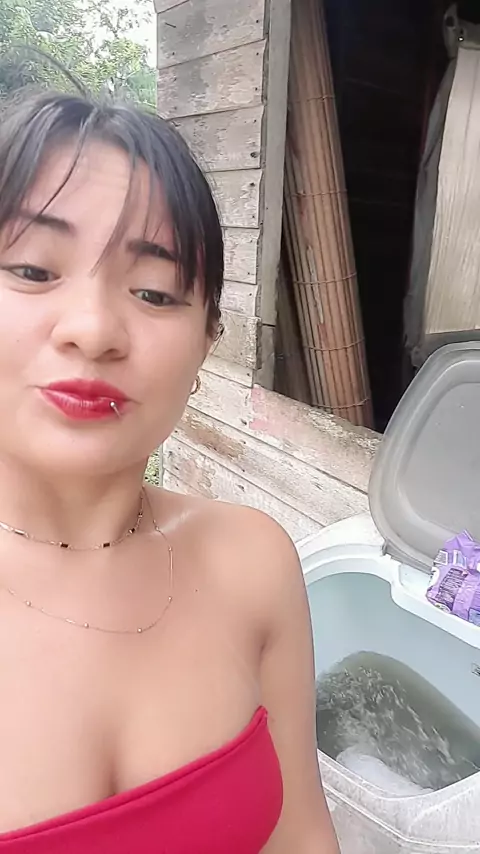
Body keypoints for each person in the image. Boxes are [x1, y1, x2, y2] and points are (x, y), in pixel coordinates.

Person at [0, 90, 339, 853]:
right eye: (32, 269)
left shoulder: (253, 561)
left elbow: (303, 837)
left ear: (208, 340)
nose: (93, 330)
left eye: (154, 292)